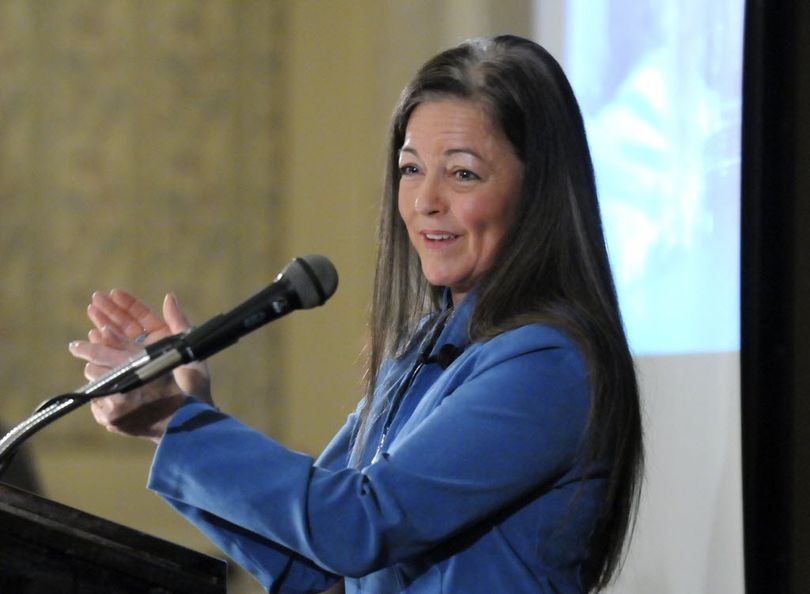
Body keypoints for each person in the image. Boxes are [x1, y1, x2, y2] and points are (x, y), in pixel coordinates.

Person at [68, 35, 643, 593]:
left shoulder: (548, 366)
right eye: (411, 169)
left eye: (463, 173)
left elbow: (357, 525)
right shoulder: (427, 347)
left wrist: (179, 424)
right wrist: (183, 414)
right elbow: (319, 566)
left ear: (537, 189)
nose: (424, 202)